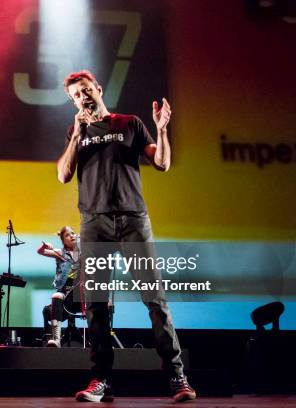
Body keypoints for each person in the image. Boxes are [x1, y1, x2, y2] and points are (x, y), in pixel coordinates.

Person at [57, 70, 196, 403]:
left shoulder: (129, 123)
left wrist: (162, 130)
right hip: (95, 223)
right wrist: (77, 135)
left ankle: (177, 378)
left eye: (86, 90)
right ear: (73, 101)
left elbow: (161, 163)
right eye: (76, 95)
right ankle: (101, 380)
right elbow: (63, 174)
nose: (83, 97)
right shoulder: (77, 131)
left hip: (134, 221)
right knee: (97, 307)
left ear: (98, 89)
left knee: (155, 300)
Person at [38, 226, 82, 347]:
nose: (72, 236)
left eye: (73, 233)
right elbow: (41, 252)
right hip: (65, 291)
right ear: (63, 240)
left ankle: (100, 340)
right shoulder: (60, 253)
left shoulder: (84, 252)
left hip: (81, 292)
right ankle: (56, 339)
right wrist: (44, 246)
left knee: (103, 299)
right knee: (56, 295)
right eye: (67, 235)